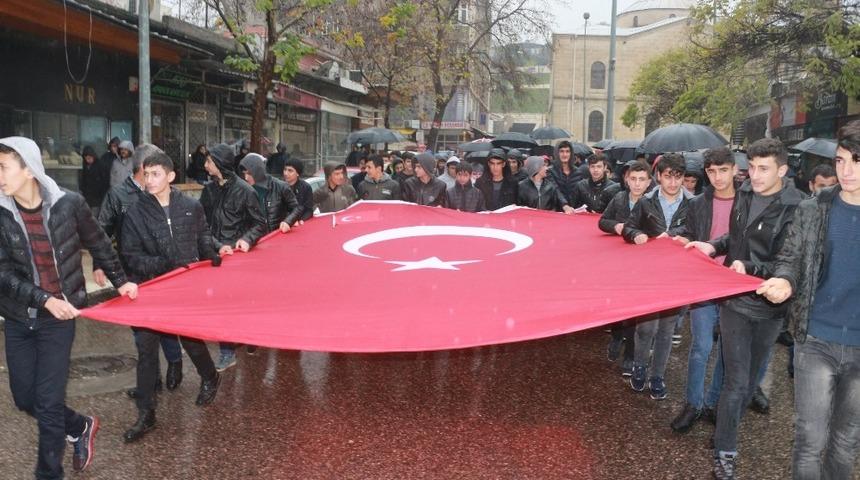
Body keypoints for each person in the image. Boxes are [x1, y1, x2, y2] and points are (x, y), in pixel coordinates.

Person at [0, 136, 138, 478]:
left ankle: (49, 473)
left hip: (59, 320)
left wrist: (121, 280)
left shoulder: (68, 204)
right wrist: (43, 299)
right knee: (24, 399)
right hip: (20, 316)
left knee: (47, 405)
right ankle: (80, 425)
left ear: (28, 170)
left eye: (3, 167)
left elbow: (98, 241)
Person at [686, 138, 805, 479]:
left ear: (782, 169)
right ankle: (726, 451)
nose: (753, 174)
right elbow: (734, 238)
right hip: (735, 303)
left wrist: (749, 268)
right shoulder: (745, 194)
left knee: (749, 383)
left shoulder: (797, 206)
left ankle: (724, 428)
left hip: (770, 308)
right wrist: (713, 245)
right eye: (750, 167)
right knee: (736, 382)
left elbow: (789, 261)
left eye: (763, 168)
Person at [757, 120, 860, 480]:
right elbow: (790, 257)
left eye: (857, 162)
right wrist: (784, 279)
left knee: (845, 442)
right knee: (809, 439)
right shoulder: (813, 208)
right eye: (842, 161)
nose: (846, 171)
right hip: (815, 338)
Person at [118, 145, 222, 443]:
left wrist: (214, 253)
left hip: (184, 289)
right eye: (146, 174)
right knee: (146, 351)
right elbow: (130, 255)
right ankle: (146, 413)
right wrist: (165, 265)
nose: (149, 179)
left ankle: (211, 376)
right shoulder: (136, 212)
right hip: (151, 290)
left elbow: (202, 238)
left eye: (156, 174)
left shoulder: (191, 206)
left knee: (191, 341)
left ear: (171, 176)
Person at [97, 146, 184, 399]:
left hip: (163, 271)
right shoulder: (118, 195)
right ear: (143, 168)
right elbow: (102, 230)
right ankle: (150, 379)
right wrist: (99, 263)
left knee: (165, 323)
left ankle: (175, 362)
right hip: (132, 274)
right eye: (150, 170)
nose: (152, 177)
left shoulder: (167, 194)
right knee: (141, 331)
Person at [670, 147, 737, 434]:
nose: (718, 177)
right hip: (704, 284)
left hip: (735, 285)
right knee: (700, 347)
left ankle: (713, 403)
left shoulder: (749, 201)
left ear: (735, 169)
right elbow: (687, 233)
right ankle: (692, 403)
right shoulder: (698, 203)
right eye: (711, 171)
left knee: (726, 350)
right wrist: (672, 237)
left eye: (723, 170)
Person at [622, 153, 694, 400]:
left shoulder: (694, 203)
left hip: (678, 276)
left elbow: (699, 231)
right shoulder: (646, 202)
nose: (673, 183)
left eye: (678, 177)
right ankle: (640, 366)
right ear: (659, 177)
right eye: (668, 177)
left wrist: (676, 234)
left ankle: (658, 375)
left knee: (666, 329)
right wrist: (636, 235)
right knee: (646, 327)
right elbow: (629, 227)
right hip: (649, 275)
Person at [201, 143, 267, 371]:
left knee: (238, 305)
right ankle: (227, 352)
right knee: (221, 307)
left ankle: (248, 335)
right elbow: (201, 225)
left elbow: (260, 224)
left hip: (237, 259)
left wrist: (247, 239)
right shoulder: (208, 191)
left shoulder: (246, 191)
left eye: (209, 161)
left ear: (219, 164)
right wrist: (214, 245)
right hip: (215, 255)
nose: (205, 165)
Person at [600, 160, 652, 376]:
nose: (637, 184)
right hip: (619, 262)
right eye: (633, 179)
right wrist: (615, 225)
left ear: (649, 182)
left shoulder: (652, 202)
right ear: (627, 179)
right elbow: (602, 221)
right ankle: (616, 336)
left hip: (642, 264)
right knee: (616, 304)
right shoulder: (619, 198)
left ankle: (630, 354)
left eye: (642, 180)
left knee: (635, 311)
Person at [239, 153, 301, 233]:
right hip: (253, 239)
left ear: (258, 171)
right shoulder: (243, 190)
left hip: (276, 236)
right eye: (244, 173)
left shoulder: (280, 186)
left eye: (249, 174)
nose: (246, 177)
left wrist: (288, 221)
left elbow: (296, 208)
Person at [78, 145, 110, 217]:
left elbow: (105, 181)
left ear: (93, 156)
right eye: (86, 158)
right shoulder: (85, 166)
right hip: (87, 196)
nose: (88, 160)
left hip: (97, 197)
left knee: (94, 217)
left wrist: (102, 195)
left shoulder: (100, 165)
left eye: (89, 158)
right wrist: (82, 189)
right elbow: (83, 180)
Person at [283, 157, 313, 222]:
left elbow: (309, 210)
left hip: (300, 224)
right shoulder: (279, 187)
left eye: (290, 170)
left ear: (297, 173)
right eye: (285, 169)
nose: (286, 173)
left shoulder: (306, 187)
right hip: (283, 224)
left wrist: (302, 220)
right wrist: (289, 221)